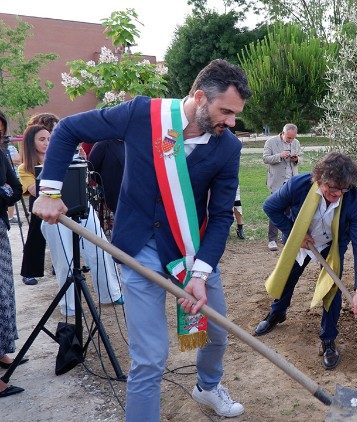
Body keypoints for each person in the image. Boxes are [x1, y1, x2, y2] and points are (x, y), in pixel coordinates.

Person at [33, 59, 251, 420]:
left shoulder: (227, 147)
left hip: (191, 251)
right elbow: (70, 128)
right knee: (149, 358)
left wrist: (199, 275)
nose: (231, 123)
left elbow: (223, 214)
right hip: (140, 249)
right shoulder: (143, 114)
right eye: (225, 111)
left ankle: (208, 386)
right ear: (199, 97)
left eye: (235, 114)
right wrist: (50, 190)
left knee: (216, 331)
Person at [254, 152, 357, 370]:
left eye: (342, 190)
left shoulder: (354, 199)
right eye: (331, 189)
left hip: (331, 245)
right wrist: (294, 234)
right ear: (320, 180)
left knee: (331, 288)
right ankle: (277, 313)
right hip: (303, 241)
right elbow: (270, 206)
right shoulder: (299, 184)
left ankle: (328, 339)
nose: (336, 195)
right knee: (288, 277)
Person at [0, 127, 24, 398]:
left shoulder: (1, 155)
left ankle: (2, 351)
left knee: (4, 293)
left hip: (0, 231)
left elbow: (15, 189)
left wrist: (2, 190)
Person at [17, 125, 51, 285]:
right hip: (39, 203)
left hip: (60, 201)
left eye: (49, 139)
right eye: (42, 139)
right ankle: (30, 271)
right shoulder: (24, 168)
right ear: (32, 142)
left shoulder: (57, 159)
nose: (46, 143)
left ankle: (61, 267)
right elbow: (32, 189)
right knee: (36, 237)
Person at [262, 123, 301, 251]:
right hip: (277, 181)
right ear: (283, 133)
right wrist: (280, 155)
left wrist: (296, 159)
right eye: (289, 138)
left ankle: (287, 237)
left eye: (293, 138)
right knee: (275, 209)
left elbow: (301, 158)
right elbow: (265, 159)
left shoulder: (296, 142)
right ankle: (272, 239)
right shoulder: (271, 142)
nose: (291, 140)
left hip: (292, 181)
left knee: (290, 211)